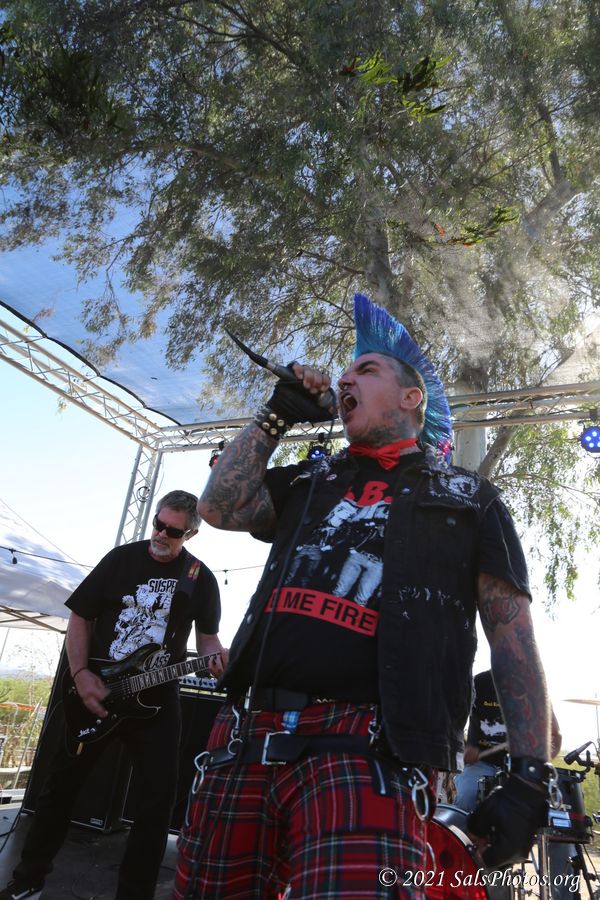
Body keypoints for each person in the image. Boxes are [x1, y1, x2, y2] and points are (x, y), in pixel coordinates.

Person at [173, 293, 558, 899]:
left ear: (411, 398)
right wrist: (278, 413)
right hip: (248, 733)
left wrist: (532, 774)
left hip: (368, 746)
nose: (345, 379)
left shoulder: (468, 499)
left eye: (367, 370)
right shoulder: (313, 478)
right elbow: (219, 507)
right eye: (346, 372)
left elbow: (512, 636)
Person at [1, 490, 227, 900]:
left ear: (191, 534)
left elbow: (208, 640)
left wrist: (217, 658)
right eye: (158, 524)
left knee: (156, 805)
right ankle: (28, 880)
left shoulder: (200, 578)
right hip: (97, 690)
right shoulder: (121, 559)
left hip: (157, 702)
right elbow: (80, 615)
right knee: (60, 788)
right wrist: (81, 673)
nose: (161, 535)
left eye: (173, 531)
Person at [455, 669, 562, 813]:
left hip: (522, 768)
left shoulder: (534, 688)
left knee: (534, 808)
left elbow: (555, 735)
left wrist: (538, 763)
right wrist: (463, 750)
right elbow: (452, 725)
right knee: (467, 795)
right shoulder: (477, 683)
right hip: (480, 763)